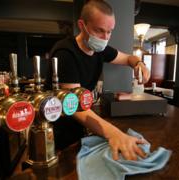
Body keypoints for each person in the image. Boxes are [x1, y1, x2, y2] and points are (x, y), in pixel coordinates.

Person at [48, 0, 150, 161]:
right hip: (59, 128)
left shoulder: (99, 50)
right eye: (99, 31)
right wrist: (115, 134)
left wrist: (139, 64)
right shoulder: (65, 53)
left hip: (82, 125)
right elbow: (73, 106)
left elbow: (128, 58)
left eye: (110, 31)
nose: (105, 38)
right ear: (82, 25)